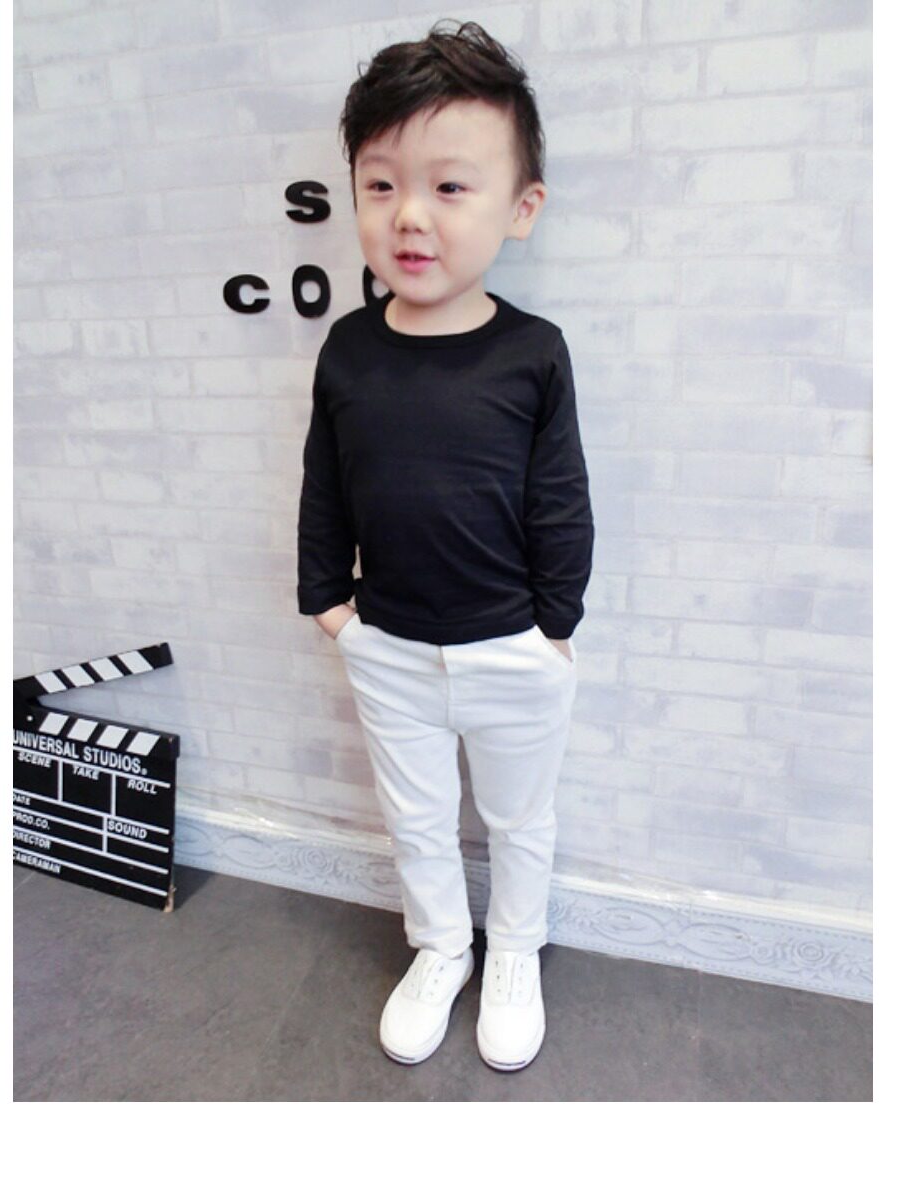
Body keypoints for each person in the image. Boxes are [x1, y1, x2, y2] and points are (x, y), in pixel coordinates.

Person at [296, 20, 594, 1073]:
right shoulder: (348, 350)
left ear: (520, 208)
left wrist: (556, 623)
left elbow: (560, 497)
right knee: (416, 817)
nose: (409, 215)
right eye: (381, 186)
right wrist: (330, 605)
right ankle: (441, 947)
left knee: (518, 817)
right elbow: (325, 481)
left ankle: (513, 949)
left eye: (449, 187)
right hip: (387, 643)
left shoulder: (532, 353)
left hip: (514, 644)